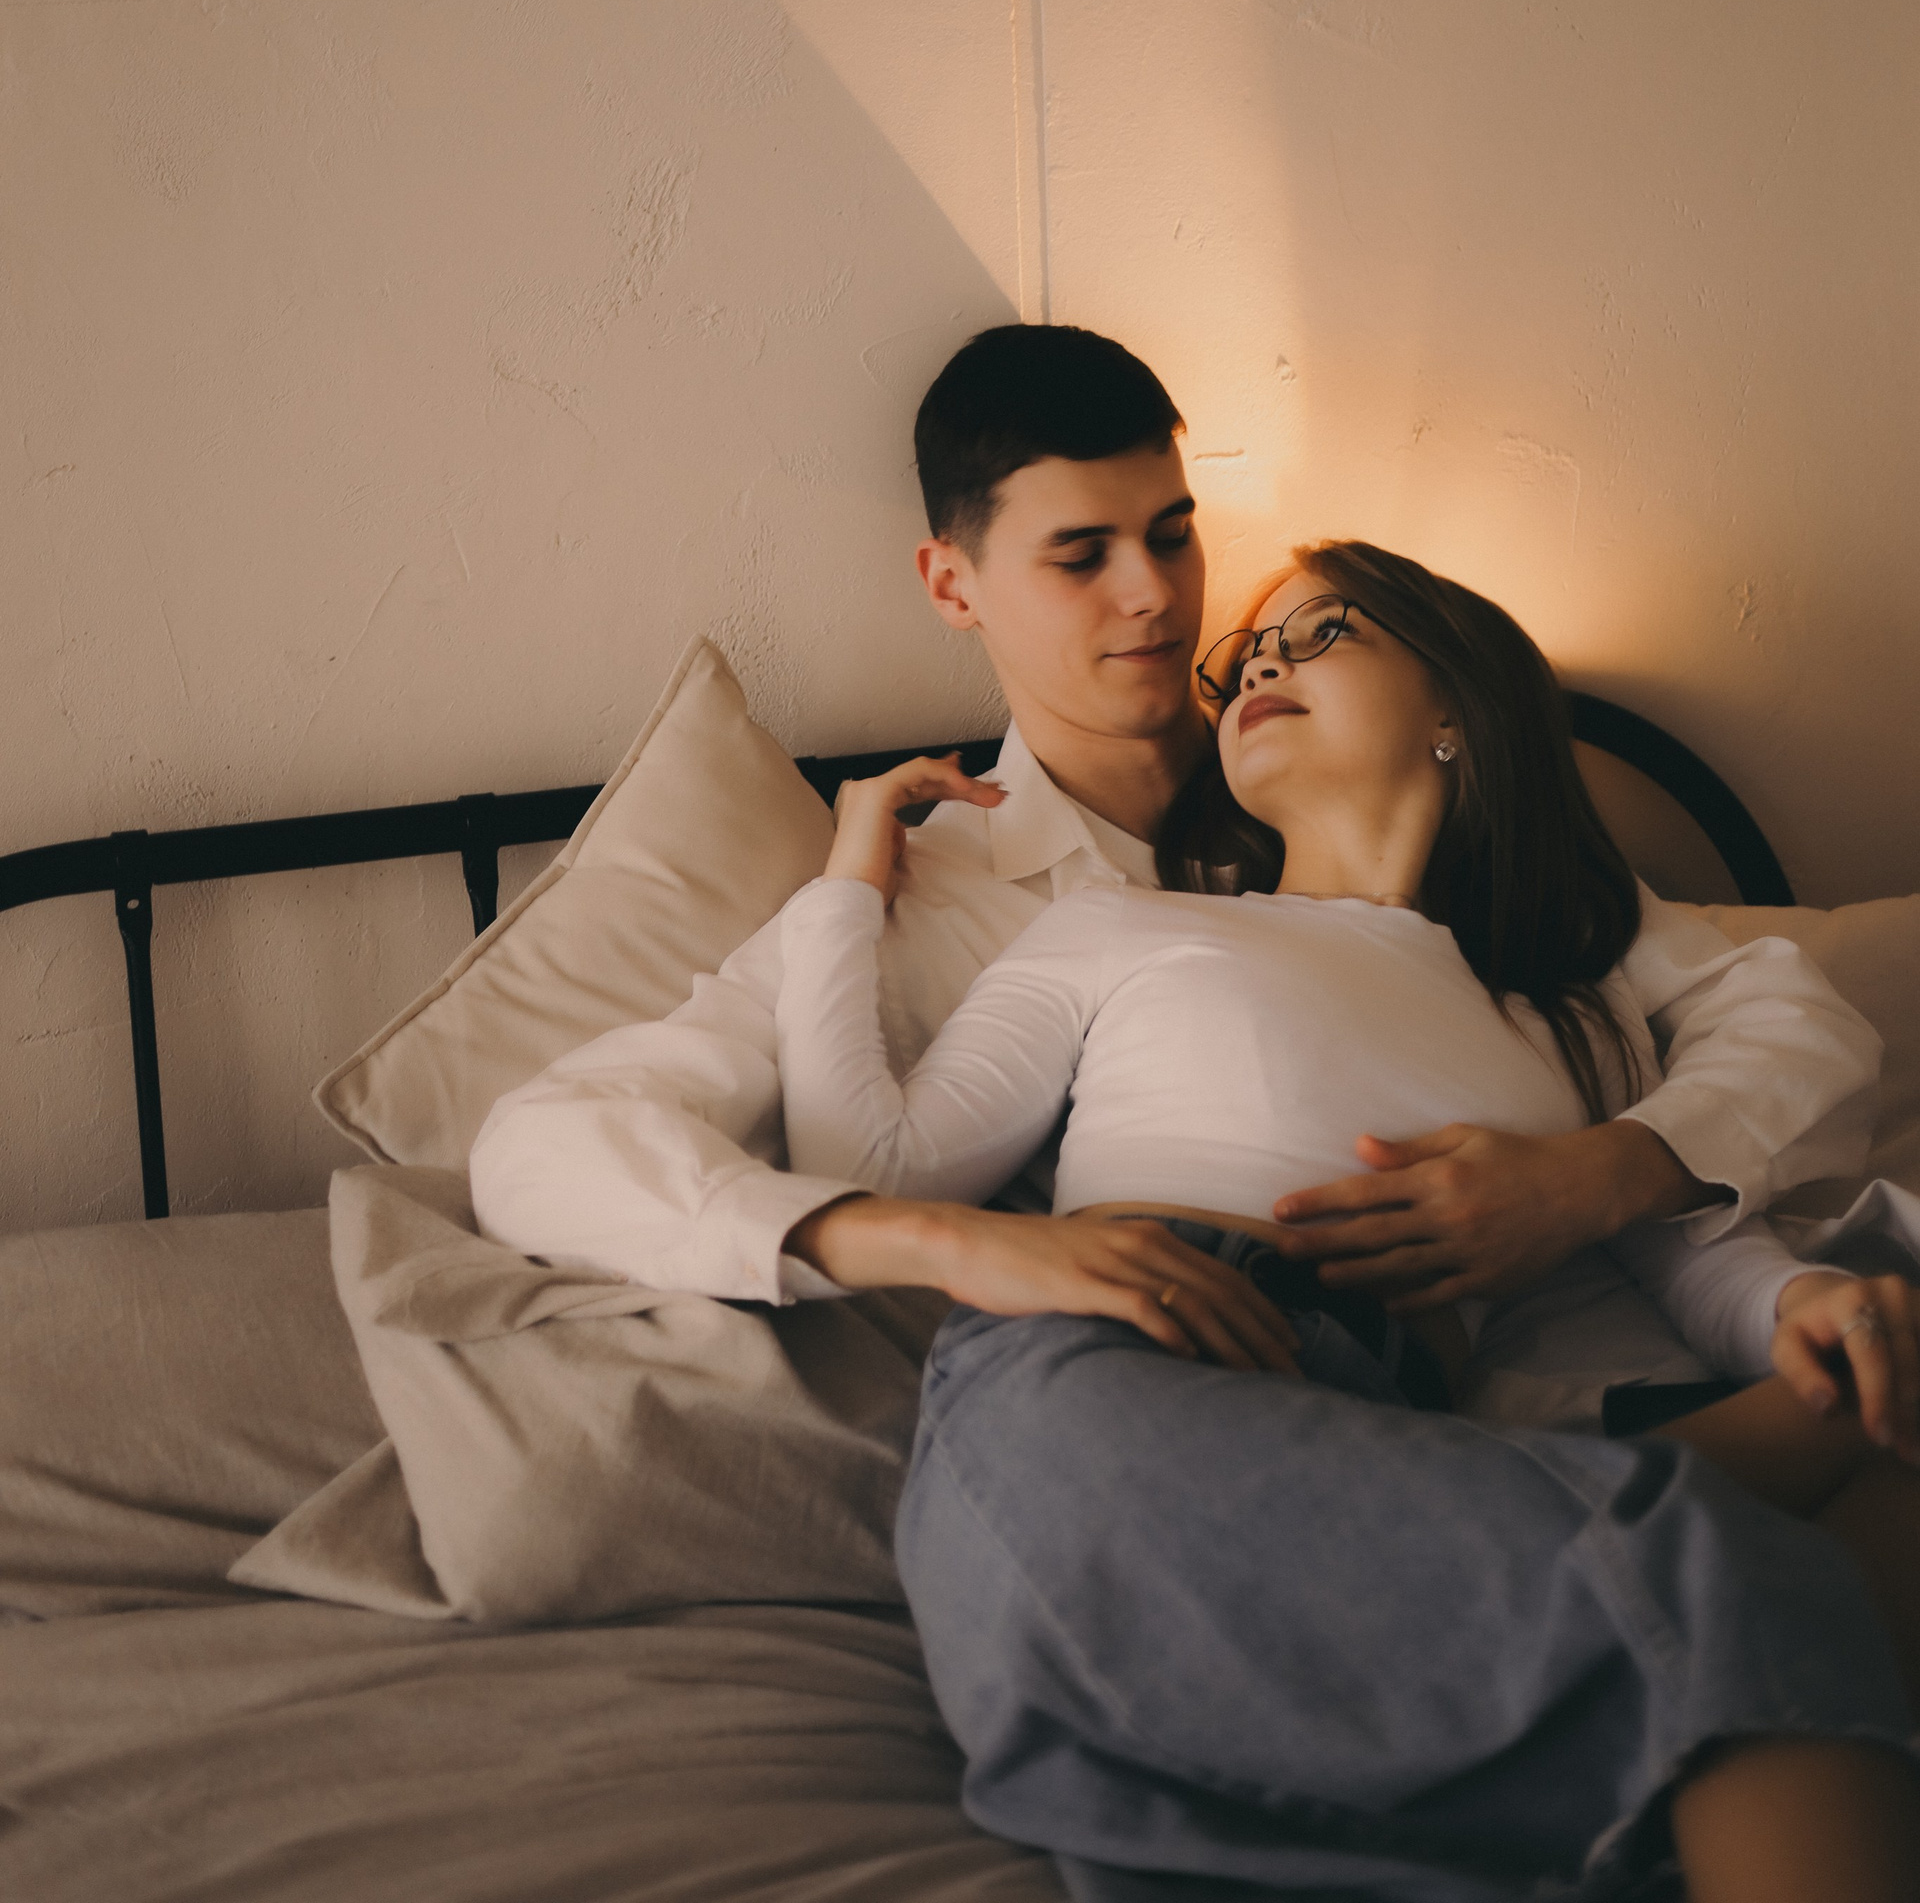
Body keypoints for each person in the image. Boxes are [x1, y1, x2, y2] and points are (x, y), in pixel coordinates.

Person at [772, 542, 1920, 1903]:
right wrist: (847, 885)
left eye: (1323, 631)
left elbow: (1681, 1244)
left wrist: (1803, 1305)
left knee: (1853, 1475)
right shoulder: (1115, 928)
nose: (1262, 658)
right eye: (1248, 652)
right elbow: (867, 1163)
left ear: (1455, 711)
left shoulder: (1568, 1018)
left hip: (1380, 1436)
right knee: (1732, 1581)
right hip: (1107, 1383)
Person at [471, 324, 1878, 1371]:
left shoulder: (1384, 801)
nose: (1154, 596)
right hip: (1126, 1386)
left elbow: (1773, 1011)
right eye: (1080, 556)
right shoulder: (914, 901)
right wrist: (934, 1239)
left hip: (1461, 1388)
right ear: (952, 584)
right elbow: (546, 1146)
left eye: (1172, 534)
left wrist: (1610, 1173)